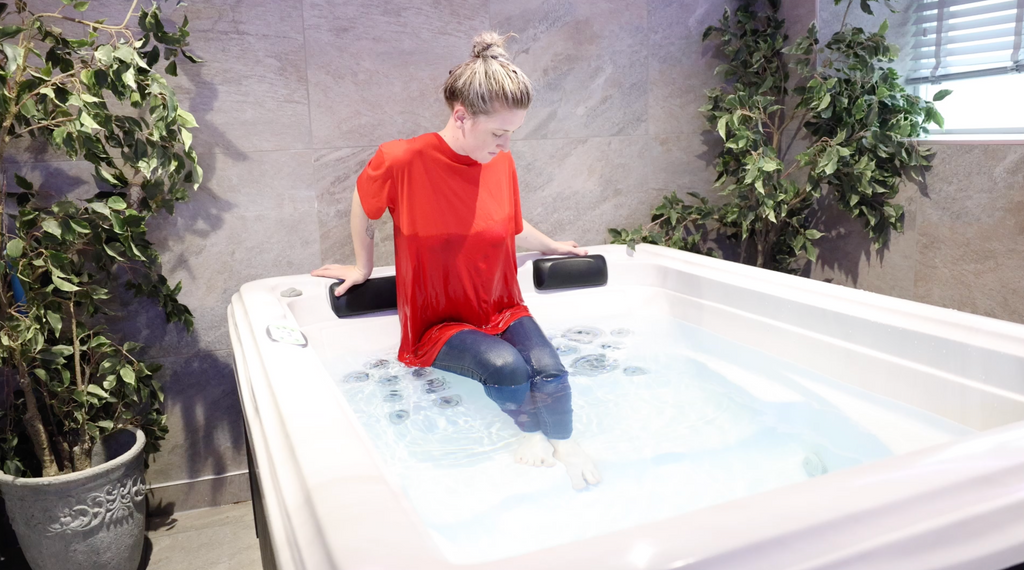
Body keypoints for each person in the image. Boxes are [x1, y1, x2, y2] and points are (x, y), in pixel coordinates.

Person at [312, 32, 601, 491]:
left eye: (512, 134)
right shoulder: (401, 159)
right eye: (499, 133)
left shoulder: (499, 164)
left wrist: (550, 247)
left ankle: (565, 444)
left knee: (549, 367)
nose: (506, 145)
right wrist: (361, 267)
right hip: (439, 321)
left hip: (500, 305)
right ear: (461, 115)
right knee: (507, 368)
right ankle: (527, 433)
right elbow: (364, 206)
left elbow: (508, 223)